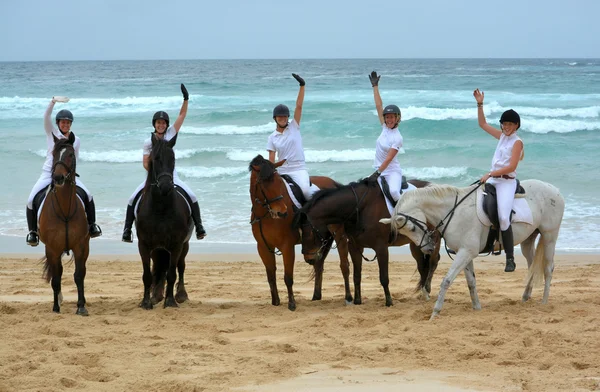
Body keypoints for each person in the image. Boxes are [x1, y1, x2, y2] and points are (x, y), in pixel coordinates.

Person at [121, 84, 206, 242]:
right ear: (154, 124)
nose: (161, 125)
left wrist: (186, 99)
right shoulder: (148, 142)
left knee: (192, 196)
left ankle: (199, 227)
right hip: (153, 178)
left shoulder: (170, 134)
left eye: (163, 123)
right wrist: (156, 173)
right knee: (132, 198)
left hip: (172, 175)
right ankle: (127, 230)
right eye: (158, 123)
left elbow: (181, 116)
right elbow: (145, 164)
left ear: (167, 124)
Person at [25, 97, 102, 246]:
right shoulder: (51, 134)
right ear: (58, 123)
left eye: (68, 122)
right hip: (49, 173)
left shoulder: (76, 140)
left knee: (88, 195)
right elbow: (46, 117)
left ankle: (92, 225)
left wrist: (70, 174)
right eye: (63, 122)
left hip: (68, 175)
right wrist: (53, 102)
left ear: (71, 124)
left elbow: (75, 158)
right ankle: (33, 232)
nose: (65, 124)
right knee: (30, 199)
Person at [473, 88, 524, 273]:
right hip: (494, 179)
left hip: (506, 182)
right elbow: (482, 124)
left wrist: (490, 174)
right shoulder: (501, 136)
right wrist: (480, 104)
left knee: (503, 217)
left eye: (510, 124)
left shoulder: (517, 142)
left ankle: (510, 258)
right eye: (504, 124)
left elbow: (511, 167)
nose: (506, 127)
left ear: (517, 125)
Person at [266, 73, 319, 201]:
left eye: (284, 117)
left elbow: (299, 106)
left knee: (306, 192)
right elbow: (272, 160)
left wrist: (302, 85)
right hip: (283, 171)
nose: (283, 119)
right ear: (275, 119)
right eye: (280, 117)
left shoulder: (294, 127)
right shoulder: (272, 137)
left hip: (298, 169)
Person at [366, 71, 404, 202]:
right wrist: (375, 87)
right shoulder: (384, 128)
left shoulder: (398, 138)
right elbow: (378, 106)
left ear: (397, 118)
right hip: (378, 169)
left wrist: (377, 174)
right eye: (387, 117)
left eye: (392, 117)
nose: (389, 120)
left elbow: (388, 160)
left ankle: (403, 215)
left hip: (392, 172)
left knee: (394, 192)